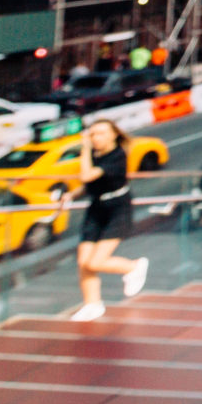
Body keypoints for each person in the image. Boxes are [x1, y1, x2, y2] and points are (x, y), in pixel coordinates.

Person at [71, 119, 146, 321]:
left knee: (96, 262)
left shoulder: (117, 156)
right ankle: (92, 304)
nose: (96, 138)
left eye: (101, 133)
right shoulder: (96, 155)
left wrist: (84, 149)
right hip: (96, 209)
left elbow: (86, 175)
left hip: (118, 209)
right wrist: (71, 195)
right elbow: (90, 184)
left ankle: (133, 267)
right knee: (83, 262)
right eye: (93, 134)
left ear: (114, 134)